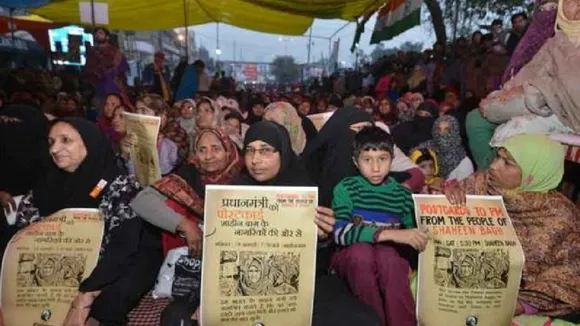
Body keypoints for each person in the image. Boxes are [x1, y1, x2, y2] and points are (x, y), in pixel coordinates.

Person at [11, 118, 161, 325]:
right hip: (64, 261)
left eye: (66, 140)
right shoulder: (44, 185)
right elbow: (24, 234)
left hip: (118, 259)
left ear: (89, 143)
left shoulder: (120, 184)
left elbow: (123, 246)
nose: (55, 149)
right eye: (51, 142)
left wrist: (86, 295)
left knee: (109, 302)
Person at [235, 121, 380, 326]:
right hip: (247, 287)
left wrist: (322, 238)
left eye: (266, 151)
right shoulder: (233, 192)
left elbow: (318, 263)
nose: (255, 160)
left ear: (283, 153)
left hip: (300, 284)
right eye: (250, 151)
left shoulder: (304, 190)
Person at [444, 134, 580, 322]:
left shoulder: (560, 218)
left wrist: (522, 305)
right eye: (497, 157)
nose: (493, 166)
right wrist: (448, 192)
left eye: (507, 163)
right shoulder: (481, 184)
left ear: (533, 174)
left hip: (527, 304)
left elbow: (569, 276)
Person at [331, 126, 427, 326]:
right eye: (367, 160)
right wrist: (390, 234)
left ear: (392, 159)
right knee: (361, 253)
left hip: (388, 260)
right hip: (352, 259)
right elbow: (339, 233)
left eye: (382, 159)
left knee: (389, 257)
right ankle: (373, 321)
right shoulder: (347, 187)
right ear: (355, 162)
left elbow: (413, 235)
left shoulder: (402, 195)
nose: (375, 168)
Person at [84, 27, 131, 111]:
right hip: (99, 90)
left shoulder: (116, 52)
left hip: (115, 89)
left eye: (101, 33)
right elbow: (88, 71)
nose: (98, 35)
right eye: (96, 33)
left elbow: (122, 71)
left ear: (107, 37)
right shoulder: (92, 52)